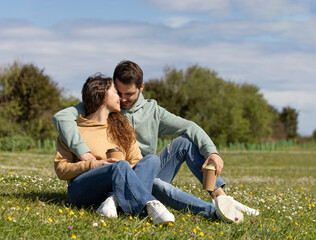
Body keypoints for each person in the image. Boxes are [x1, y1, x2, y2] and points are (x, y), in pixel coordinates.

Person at [53, 61, 259, 221]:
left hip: (140, 168)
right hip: (109, 174)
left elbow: (190, 127)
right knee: (156, 184)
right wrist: (86, 156)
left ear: (141, 87)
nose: (123, 99)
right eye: (118, 92)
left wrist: (212, 152)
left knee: (176, 147)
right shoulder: (91, 113)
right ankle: (211, 212)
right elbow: (63, 118)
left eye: (129, 94)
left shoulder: (149, 113)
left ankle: (221, 197)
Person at [54, 73, 175, 225]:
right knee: (120, 164)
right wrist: (95, 165)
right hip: (81, 190)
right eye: (116, 92)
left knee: (152, 160)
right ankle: (150, 204)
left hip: (114, 186)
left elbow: (137, 161)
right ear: (104, 96)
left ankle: (114, 200)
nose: (121, 97)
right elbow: (61, 169)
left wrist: (122, 172)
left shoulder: (122, 129)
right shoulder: (73, 130)